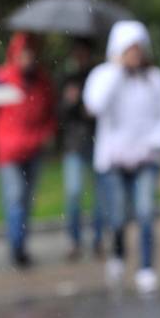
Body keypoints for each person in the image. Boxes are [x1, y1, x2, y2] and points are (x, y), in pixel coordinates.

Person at [84, 20, 160, 294]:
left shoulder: (154, 78)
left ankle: (147, 267)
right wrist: (116, 70)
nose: (135, 54)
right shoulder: (104, 76)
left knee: (145, 212)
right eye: (129, 49)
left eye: (138, 48)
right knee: (117, 216)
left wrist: (155, 143)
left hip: (146, 160)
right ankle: (117, 253)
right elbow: (95, 104)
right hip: (112, 162)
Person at [0, 32, 57, 268]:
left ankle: (21, 243)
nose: (27, 59)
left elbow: (50, 113)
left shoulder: (42, 81)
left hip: (34, 150)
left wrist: (46, 134)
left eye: (30, 55)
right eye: (23, 54)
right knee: (15, 197)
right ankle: (16, 247)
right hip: (8, 152)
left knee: (27, 200)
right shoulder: (2, 79)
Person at [59, 37, 104, 260]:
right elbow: (61, 114)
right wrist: (69, 102)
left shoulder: (98, 76)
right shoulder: (68, 79)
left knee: (98, 195)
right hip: (74, 144)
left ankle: (98, 238)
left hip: (96, 141)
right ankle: (74, 240)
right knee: (74, 192)